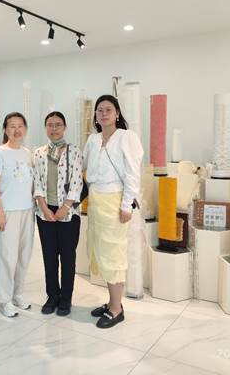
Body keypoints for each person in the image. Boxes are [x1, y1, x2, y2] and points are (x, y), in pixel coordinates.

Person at [83, 94, 143, 329]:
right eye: (99, 110)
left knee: (113, 253)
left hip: (115, 200)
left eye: (108, 109)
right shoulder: (93, 139)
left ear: (117, 113)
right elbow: (83, 166)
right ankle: (111, 302)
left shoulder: (126, 137)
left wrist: (126, 205)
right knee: (100, 250)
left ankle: (117, 309)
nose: (103, 113)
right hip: (96, 200)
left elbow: (133, 172)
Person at [33, 111, 83, 316]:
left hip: (68, 212)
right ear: (45, 127)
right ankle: (52, 296)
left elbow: (77, 181)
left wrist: (65, 207)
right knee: (49, 256)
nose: (54, 129)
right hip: (45, 212)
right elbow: (36, 182)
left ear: (65, 128)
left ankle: (66, 299)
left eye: (58, 125)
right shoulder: (38, 153)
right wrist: (44, 207)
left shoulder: (74, 151)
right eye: (50, 125)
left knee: (68, 257)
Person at [0, 112, 34, 318]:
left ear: (25, 129)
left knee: (24, 255)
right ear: (5, 130)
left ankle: (18, 294)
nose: (17, 130)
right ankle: (4, 299)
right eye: (12, 126)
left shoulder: (27, 153)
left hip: (27, 211)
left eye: (20, 126)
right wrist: (0, 213)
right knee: (7, 256)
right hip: (7, 211)